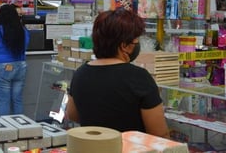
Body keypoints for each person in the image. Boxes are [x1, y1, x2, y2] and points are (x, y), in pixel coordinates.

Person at [66, 8, 170, 138]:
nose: (138, 45)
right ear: (124, 46)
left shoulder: (80, 73)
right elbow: (159, 133)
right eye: (136, 41)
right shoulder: (139, 77)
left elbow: (72, 115)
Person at [0, 4, 30, 116]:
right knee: (17, 100)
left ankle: (5, 130)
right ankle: (19, 126)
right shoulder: (23, 30)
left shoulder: (0, 30)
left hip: (2, 67)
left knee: (3, 101)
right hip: (20, 66)